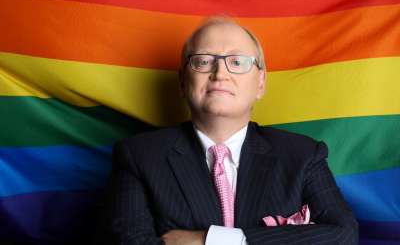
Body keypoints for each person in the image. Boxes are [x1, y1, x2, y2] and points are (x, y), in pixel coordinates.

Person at [98, 17, 358, 244]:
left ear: (260, 82)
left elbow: (343, 235)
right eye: (203, 61)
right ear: (182, 81)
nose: (220, 72)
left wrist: (211, 240)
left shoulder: (303, 156)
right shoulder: (138, 156)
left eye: (237, 61)